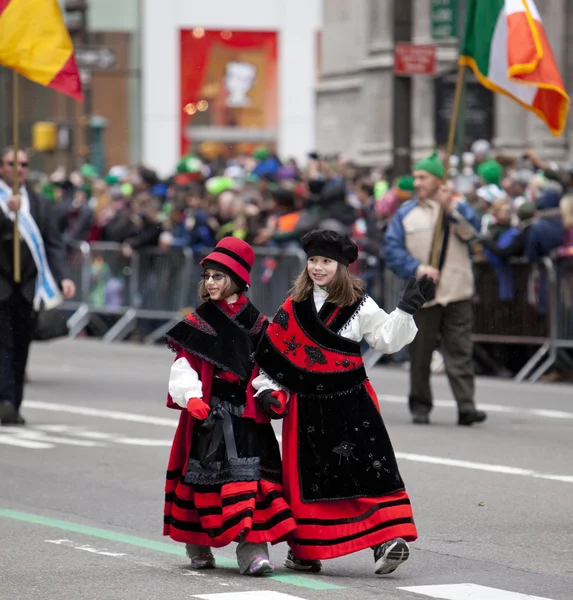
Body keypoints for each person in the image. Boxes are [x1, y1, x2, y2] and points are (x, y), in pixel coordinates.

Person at [246, 230, 435, 575]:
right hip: (306, 408)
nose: (318, 267)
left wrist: (406, 309)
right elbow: (275, 356)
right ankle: (305, 551)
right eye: (314, 260)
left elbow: (386, 340)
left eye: (326, 262)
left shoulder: (360, 304)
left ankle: (387, 540)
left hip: (352, 404)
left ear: (343, 267)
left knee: (368, 471)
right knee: (309, 480)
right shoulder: (293, 306)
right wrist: (269, 390)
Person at [162, 237, 296, 576]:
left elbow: (268, 369)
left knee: (253, 483)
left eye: (218, 276)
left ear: (237, 279)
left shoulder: (260, 324)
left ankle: (253, 553)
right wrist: (191, 396)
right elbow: (184, 365)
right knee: (201, 481)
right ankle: (198, 545)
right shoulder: (198, 322)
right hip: (209, 414)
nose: (210, 283)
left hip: (248, 416)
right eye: (207, 276)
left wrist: (272, 392)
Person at [384, 152, 487, 427]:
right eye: (416, 177)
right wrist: (417, 268)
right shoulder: (405, 213)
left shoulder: (458, 206)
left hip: (457, 290)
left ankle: (466, 406)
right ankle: (420, 405)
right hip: (423, 294)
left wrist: (450, 208)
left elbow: (474, 233)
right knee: (420, 352)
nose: (416, 182)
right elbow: (392, 250)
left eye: (422, 177)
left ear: (438, 180)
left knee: (460, 351)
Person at [0, 147, 75, 426]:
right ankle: (4, 401)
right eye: (11, 163)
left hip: (29, 288)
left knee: (21, 348)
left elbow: (53, 243)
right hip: (2, 286)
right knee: (3, 346)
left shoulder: (40, 203)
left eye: (23, 164)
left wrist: (64, 276)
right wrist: (6, 215)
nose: (18, 168)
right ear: (1, 168)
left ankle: (14, 405)